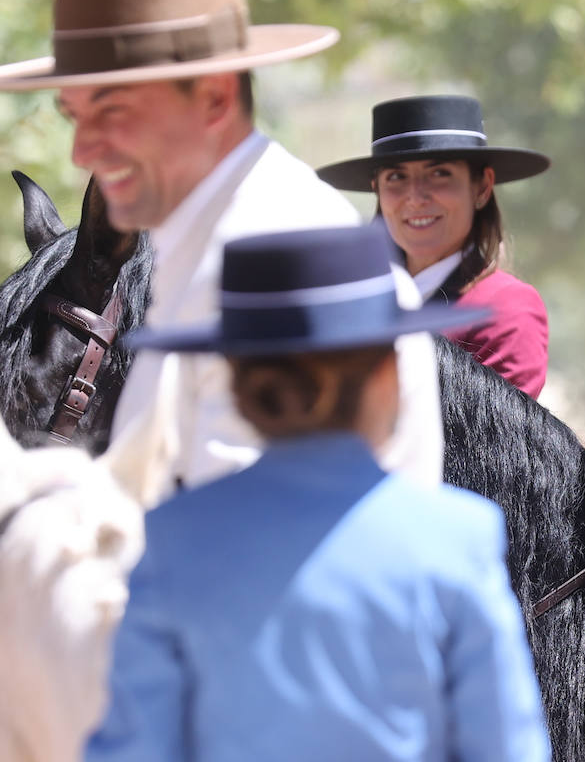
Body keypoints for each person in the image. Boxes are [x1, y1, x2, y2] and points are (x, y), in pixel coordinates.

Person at [0, 0, 445, 489]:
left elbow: (251, 528)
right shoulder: (205, 243)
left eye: (111, 111)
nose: (81, 151)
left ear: (215, 98)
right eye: (74, 116)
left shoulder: (272, 259)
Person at [87, 223, 552, 762]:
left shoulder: (169, 537)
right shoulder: (457, 536)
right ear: (390, 375)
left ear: (238, 386)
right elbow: (507, 749)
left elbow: (130, 749)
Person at [318, 95, 551, 397]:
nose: (416, 197)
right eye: (396, 176)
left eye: (440, 173)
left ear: (482, 187)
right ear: (377, 189)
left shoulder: (505, 309)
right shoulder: (353, 301)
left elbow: (494, 429)